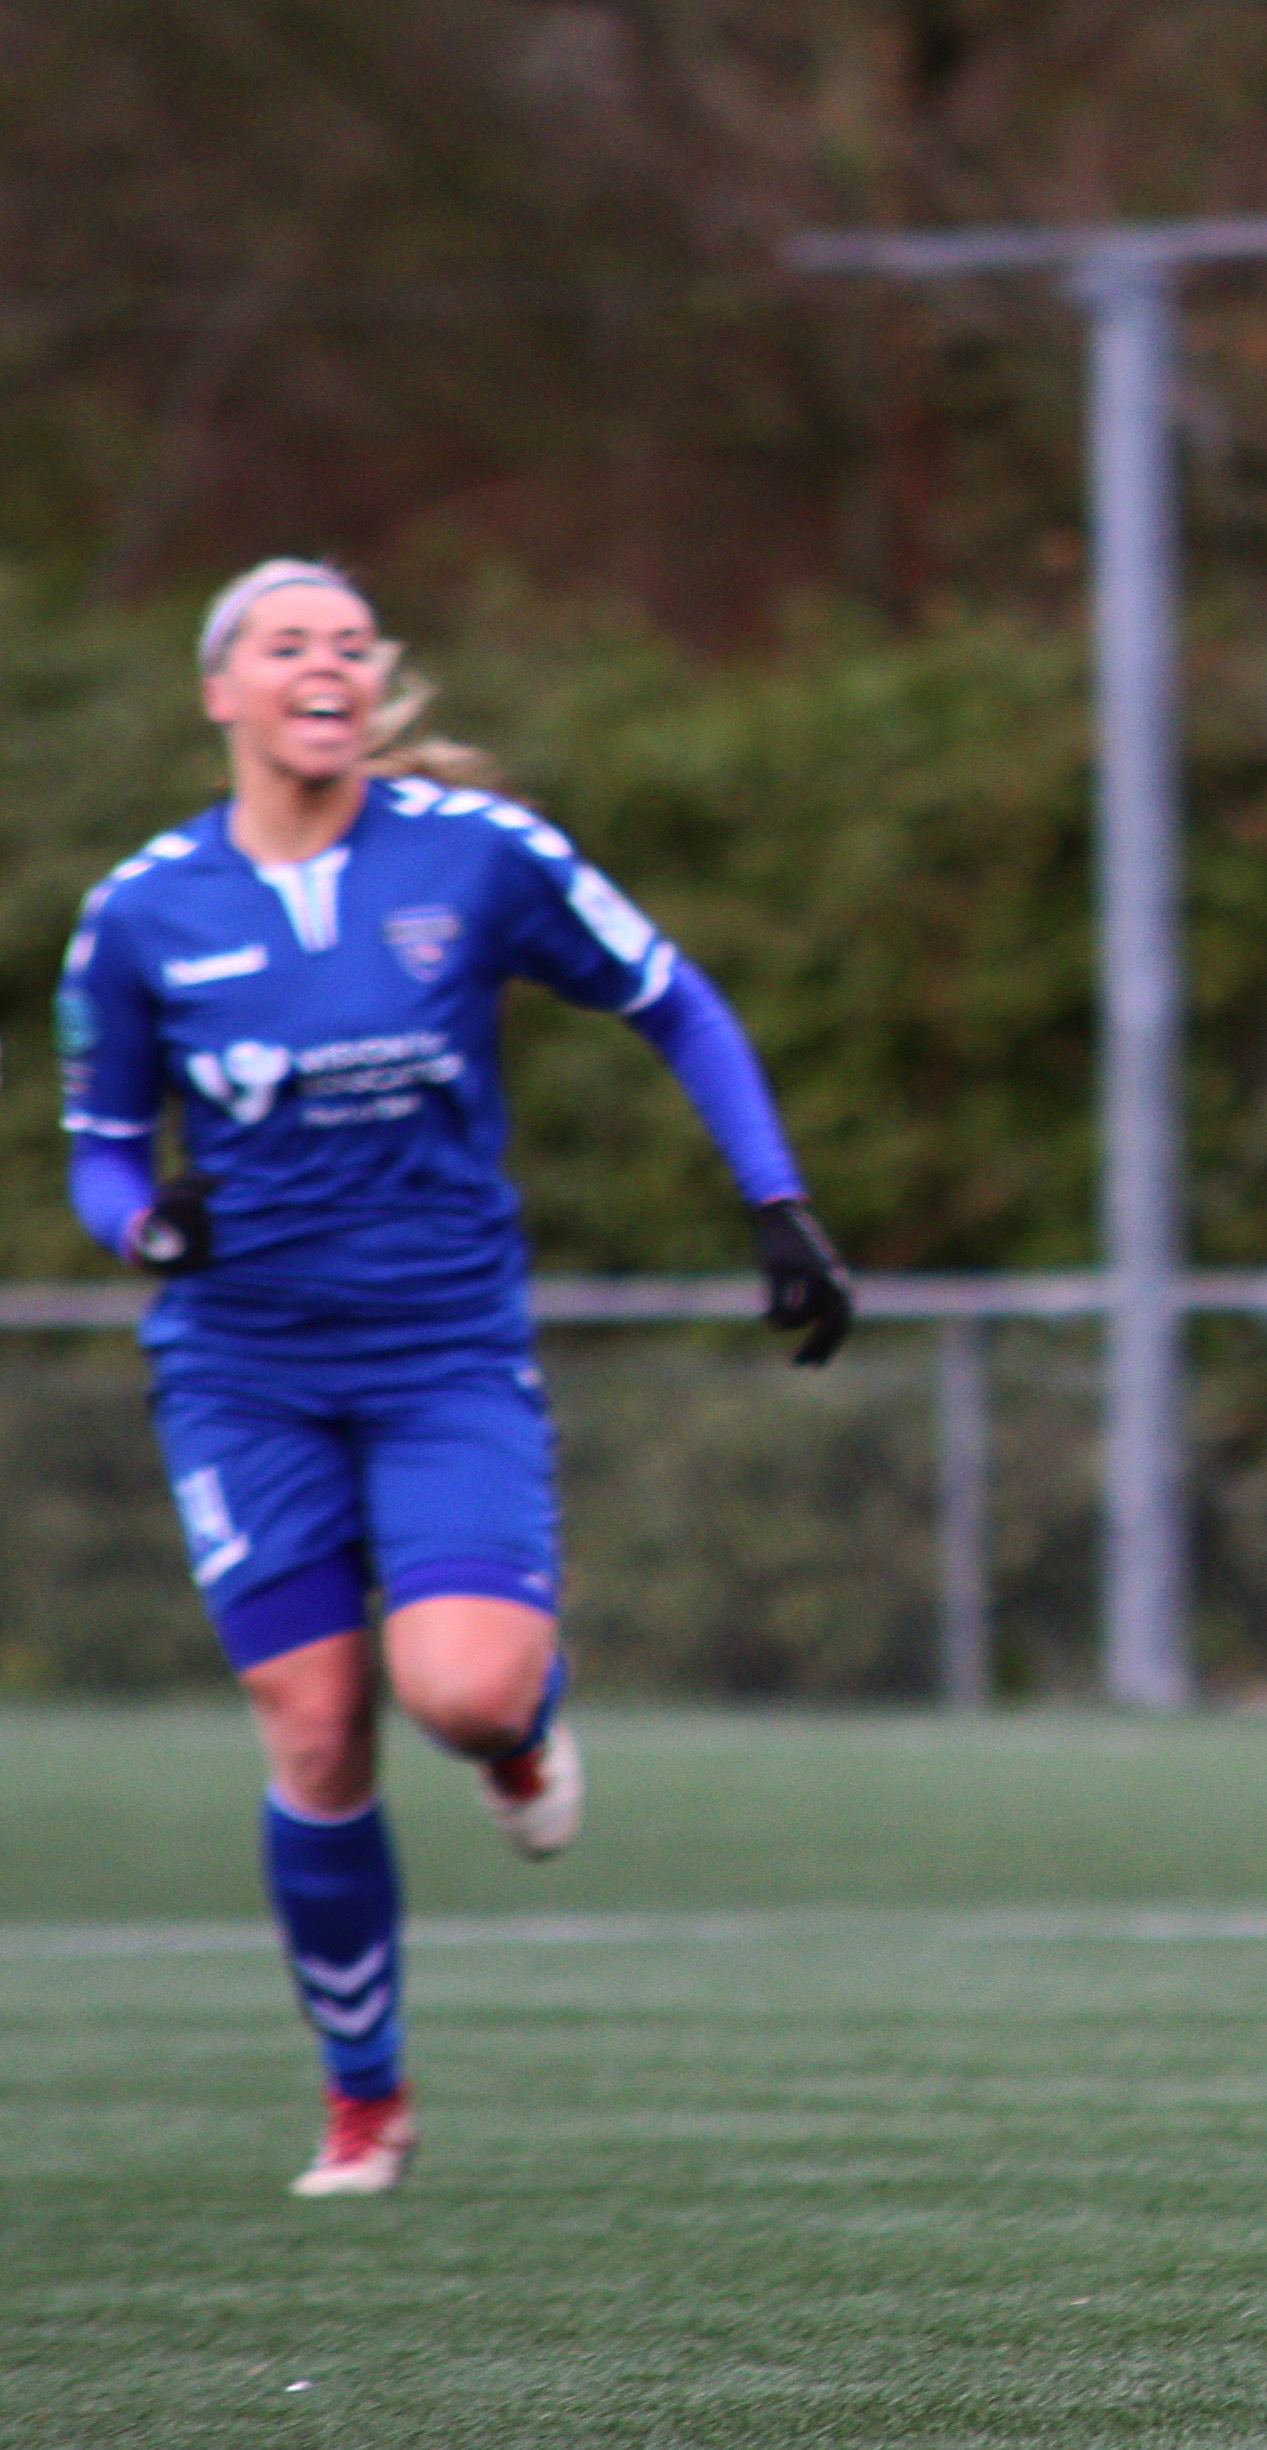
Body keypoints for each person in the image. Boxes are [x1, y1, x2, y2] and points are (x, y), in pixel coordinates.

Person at [55, 559, 849, 2198]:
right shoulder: (143, 909)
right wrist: (144, 1228)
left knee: (463, 1689)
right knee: (317, 1723)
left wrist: (775, 1200)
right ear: (224, 692)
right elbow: (104, 1152)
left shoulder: (474, 856)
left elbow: (671, 997)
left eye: (350, 641)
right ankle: (366, 2102)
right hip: (240, 1369)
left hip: (439, 1353)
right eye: (286, 644)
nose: (325, 663)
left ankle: (518, 1736)